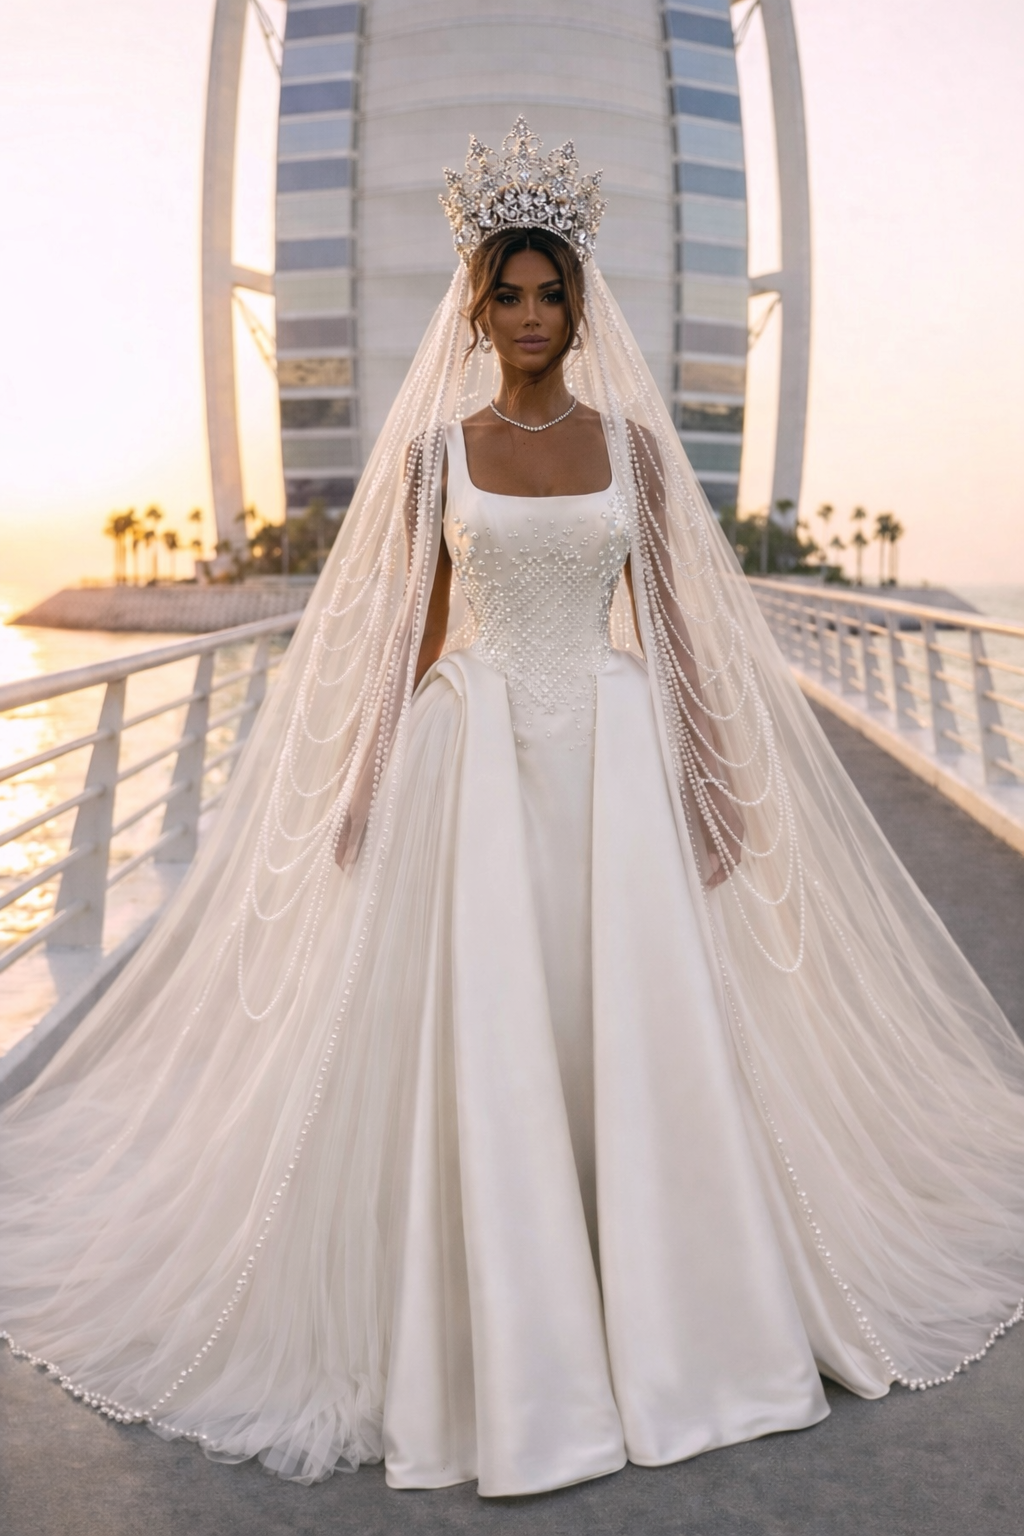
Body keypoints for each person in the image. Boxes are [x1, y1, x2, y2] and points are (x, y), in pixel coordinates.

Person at [2, 120, 1023, 1498]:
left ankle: (669, 1326)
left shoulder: (633, 454)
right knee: (488, 1034)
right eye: (507, 290)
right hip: (471, 763)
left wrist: (712, 787)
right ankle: (504, 1333)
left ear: (578, 306)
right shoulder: (436, 455)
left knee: (629, 1029)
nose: (530, 315)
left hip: (611, 757)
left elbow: (673, 633)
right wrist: (365, 779)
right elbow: (404, 637)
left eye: (552, 293)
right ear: (474, 303)